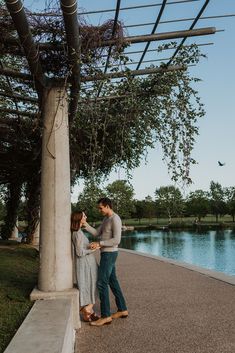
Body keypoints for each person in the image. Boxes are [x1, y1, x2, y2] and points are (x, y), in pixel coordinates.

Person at [84, 197, 128, 327]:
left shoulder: (115, 219)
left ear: (107, 206)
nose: (99, 210)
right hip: (106, 254)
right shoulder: (106, 219)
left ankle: (105, 316)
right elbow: (97, 233)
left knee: (101, 282)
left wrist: (99, 244)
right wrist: (84, 224)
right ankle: (122, 309)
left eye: (100, 208)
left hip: (110, 254)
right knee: (112, 281)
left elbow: (117, 240)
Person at [71, 211, 100, 322]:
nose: (86, 217)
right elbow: (79, 252)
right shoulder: (77, 233)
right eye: (84, 216)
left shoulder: (78, 232)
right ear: (79, 219)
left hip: (87, 263)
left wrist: (89, 245)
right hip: (86, 264)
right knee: (95, 284)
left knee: (91, 286)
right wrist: (92, 249)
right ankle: (87, 309)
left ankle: (87, 312)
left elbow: (81, 247)